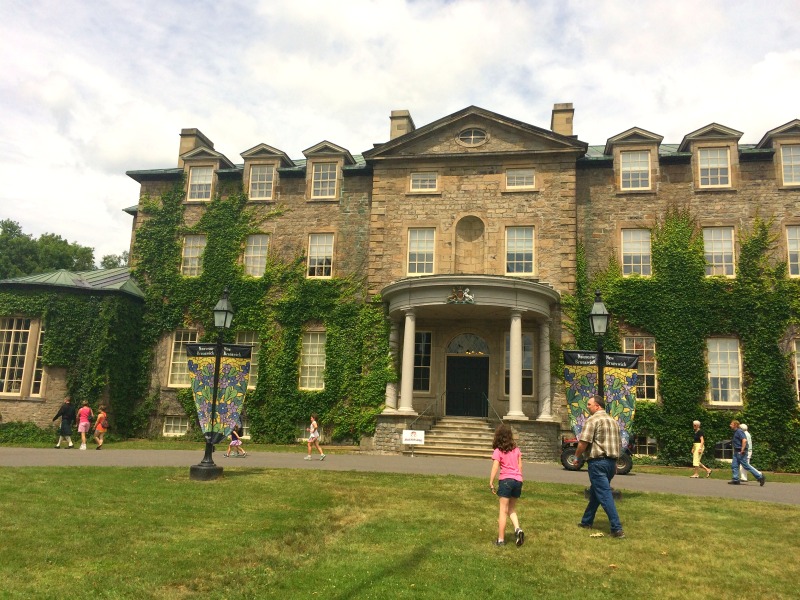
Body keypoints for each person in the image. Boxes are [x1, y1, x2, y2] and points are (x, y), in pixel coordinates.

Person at [574, 395, 625, 538]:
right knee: (597, 493)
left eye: (589, 404)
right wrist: (615, 462)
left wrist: (577, 456)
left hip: (597, 463)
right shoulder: (613, 421)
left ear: (597, 406)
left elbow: (583, 442)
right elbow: (618, 444)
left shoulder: (593, 420)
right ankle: (586, 522)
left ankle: (616, 528)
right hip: (610, 463)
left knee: (605, 495)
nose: (587, 407)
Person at [488, 423, 524, 547]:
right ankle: (518, 529)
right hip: (518, 480)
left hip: (506, 481)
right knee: (511, 509)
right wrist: (519, 479)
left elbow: (495, 466)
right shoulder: (517, 450)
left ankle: (501, 540)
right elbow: (520, 466)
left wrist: (491, 481)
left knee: (503, 511)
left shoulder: (498, 451)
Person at [729, 420, 764, 486]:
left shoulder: (739, 431)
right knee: (734, 465)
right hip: (736, 451)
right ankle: (735, 479)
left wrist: (742, 449)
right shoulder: (736, 432)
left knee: (745, 465)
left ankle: (760, 476)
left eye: (731, 424)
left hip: (741, 451)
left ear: (735, 425)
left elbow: (744, 440)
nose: (730, 425)